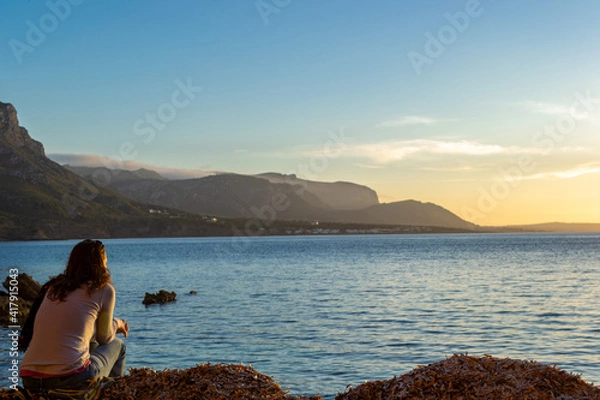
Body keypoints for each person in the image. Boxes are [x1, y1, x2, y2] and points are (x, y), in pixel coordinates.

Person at [20, 239, 129, 391]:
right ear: (100, 264)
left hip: (29, 379)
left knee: (90, 345)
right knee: (118, 345)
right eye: (105, 261)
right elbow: (104, 338)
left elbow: (81, 332)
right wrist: (118, 324)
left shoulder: (53, 288)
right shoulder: (105, 290)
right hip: (70, 379)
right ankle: (114, 393)